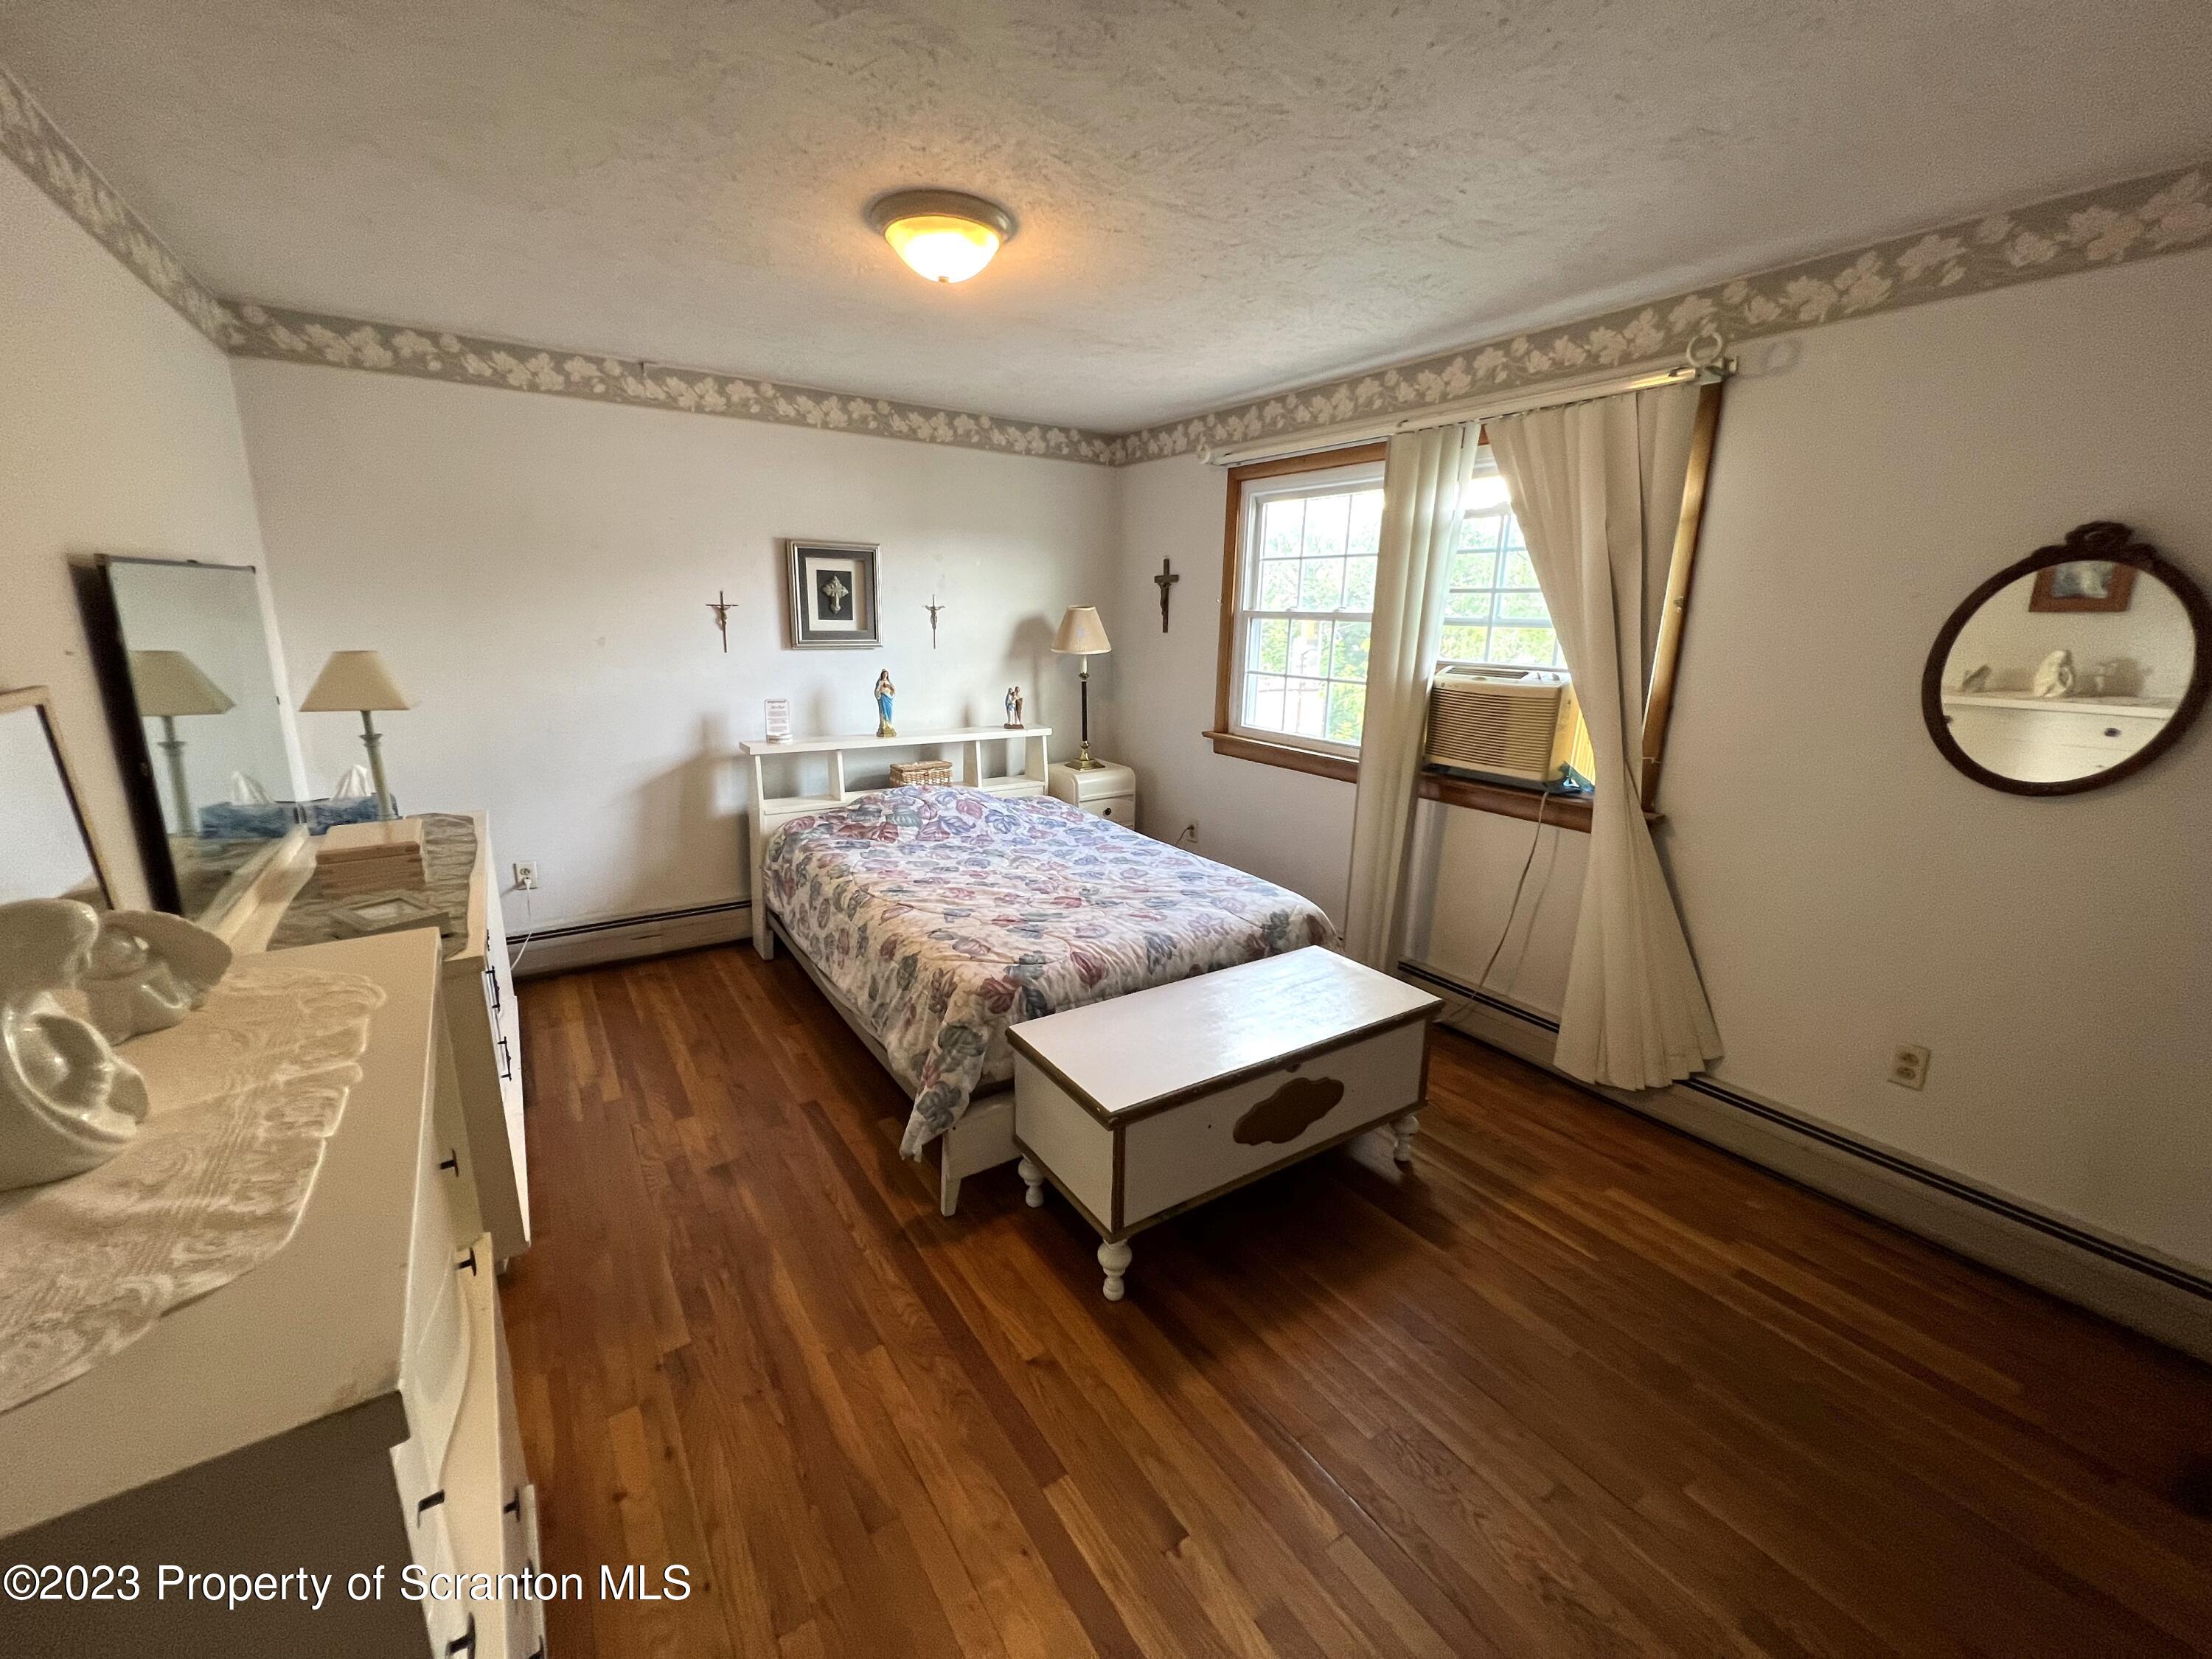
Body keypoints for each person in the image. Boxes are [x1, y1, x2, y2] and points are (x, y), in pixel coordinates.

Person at [874, 669, 896, 737]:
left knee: (889, 712)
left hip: (888, 698)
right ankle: (884, 726)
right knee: (883, 712)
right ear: (882, 674)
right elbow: (877, 691)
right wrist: (880, 691)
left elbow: (893, 690)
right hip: (883, 698)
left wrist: (891, 689)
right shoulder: (880, 682)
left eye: (886, 674)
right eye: (884, 674)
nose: (885, 675)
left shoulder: (889, 682)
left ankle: (889, 725)